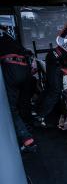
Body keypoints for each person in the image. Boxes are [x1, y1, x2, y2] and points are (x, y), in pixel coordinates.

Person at [0, 24, 37, 152]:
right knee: (24, 102)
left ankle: (26, 139)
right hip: (24, 68)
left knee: (10, 107)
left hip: (11, 68)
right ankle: (29, 128)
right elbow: (28, 52)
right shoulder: (9, 37)